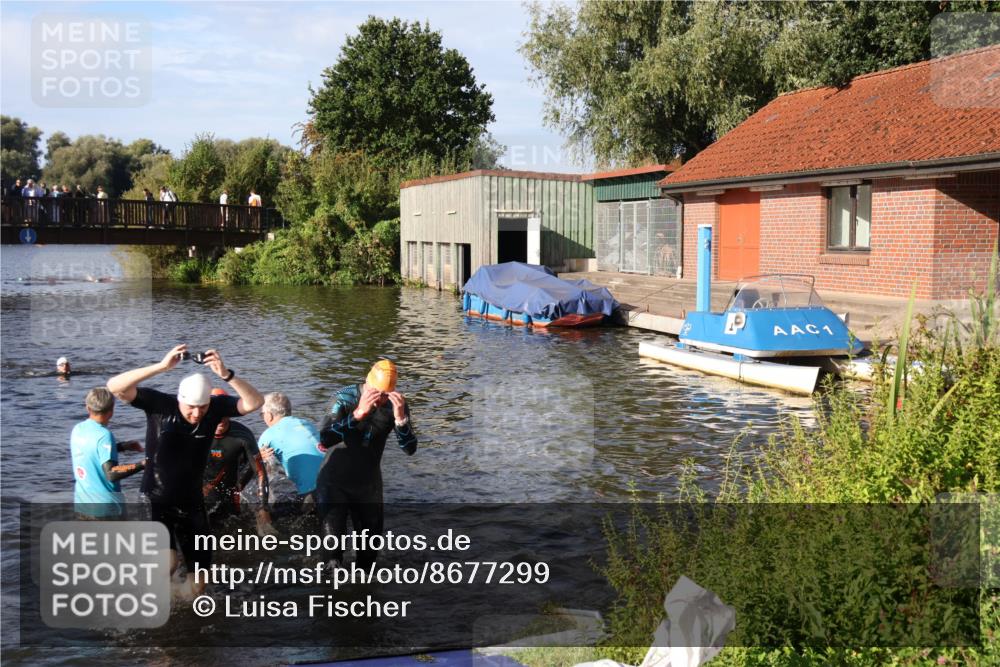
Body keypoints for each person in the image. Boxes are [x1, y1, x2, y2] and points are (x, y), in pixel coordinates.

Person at [106, 344, 264, 598]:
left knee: (200, 584)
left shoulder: (215, 408)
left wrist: (227, 374)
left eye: (202, 407)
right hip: (157, 499)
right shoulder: (161, 405)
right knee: (168, 563)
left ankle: (173, 604)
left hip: (191, 502)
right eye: (191, 407)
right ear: (180, 399)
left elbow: (255, 402)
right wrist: (161, 366)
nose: (197, 413)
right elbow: (115, 386)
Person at [316, 360, 417, 568]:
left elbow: (409, 449)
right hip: (334, 482)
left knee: (368, 562)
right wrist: (356, 415)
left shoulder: (397, 405)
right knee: (332, 559)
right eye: (376, 392)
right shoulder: (344, 398)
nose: (379, 399)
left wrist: (401, 422)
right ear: (367, 382)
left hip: (368, 486)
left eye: (385, 394)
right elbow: (325, 439)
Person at [203, 387, 275, 534]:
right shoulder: (195, 433)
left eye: (224, 414)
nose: (220, 420)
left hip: (230, 493)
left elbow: (260, 472)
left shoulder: (242, 435)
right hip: (201, 493)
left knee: (233, 533)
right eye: (215, 414)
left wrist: (263, 507)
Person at [71, 387, 145, 518]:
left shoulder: (78, 429)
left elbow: (92, 452)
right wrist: (143, 464)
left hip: (82, 506)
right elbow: (111, 474)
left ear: (87, 408)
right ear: (111, 411)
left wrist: (123, 446)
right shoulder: (104, 435)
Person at [258, 392, 325, 502]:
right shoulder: (307, 424)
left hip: (312, 491)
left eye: (262, 414)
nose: (262, 417)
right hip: (334, 478)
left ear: (269, 415)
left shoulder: (268, 435)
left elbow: (261, 474)